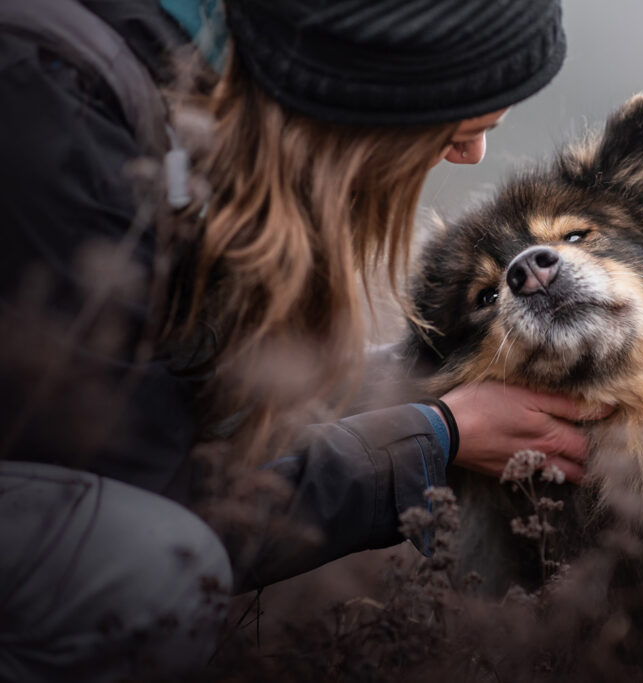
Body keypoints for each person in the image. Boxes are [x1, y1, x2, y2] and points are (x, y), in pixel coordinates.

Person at [0, 0, 605, 679]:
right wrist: (436, 439)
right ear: (368, 82)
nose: (472, 154)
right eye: (465, 115)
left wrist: (413, 380)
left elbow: (173, 400)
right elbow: (159, 493)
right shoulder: (54, 112)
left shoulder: (176, 95)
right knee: (151, 568)